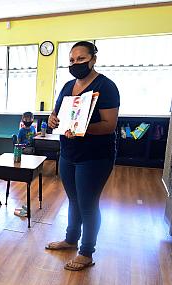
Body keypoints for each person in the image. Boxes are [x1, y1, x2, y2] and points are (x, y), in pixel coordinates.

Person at [45, 41, 120, 271]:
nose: (75, 63)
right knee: (74, 200)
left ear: (93, 59)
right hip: (68, 153)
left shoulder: (106, 87)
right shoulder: (68, 86)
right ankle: (70, 240)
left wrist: (83, 129)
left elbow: (109, 125)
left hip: (95, 157)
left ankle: (86, 252)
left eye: (80, 59)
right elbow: (56, 113)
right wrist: (52, 119)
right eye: (71, 60)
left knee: (88, 204)